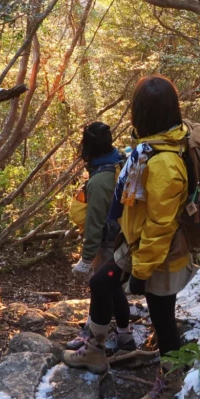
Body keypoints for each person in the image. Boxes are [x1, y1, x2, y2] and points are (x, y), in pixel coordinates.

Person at [63, 75, 195, 399]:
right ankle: (94, 350)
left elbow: (161, 225)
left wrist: (141, 270)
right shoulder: (151, 147)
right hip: (138, 246)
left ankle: (171, 381)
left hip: (161, 254)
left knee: (163, 319)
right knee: (100, 282)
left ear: (143, 113)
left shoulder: (164, 161)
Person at [65, 122, 132, 353]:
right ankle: (124, 336)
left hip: (108, 244)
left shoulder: (99, 180)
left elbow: (94, 225)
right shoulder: (120, 163)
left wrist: (86, 260)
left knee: (100, 286)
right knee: (114, 288)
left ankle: (92, 339)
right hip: (123, 239)